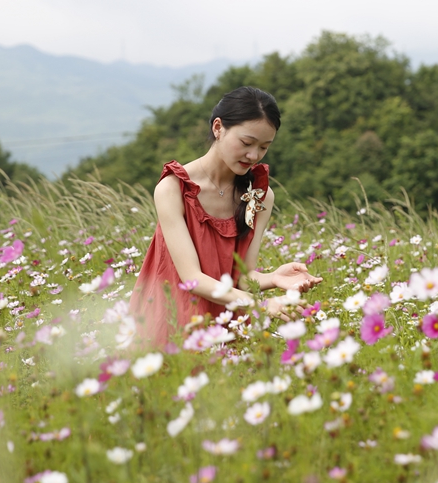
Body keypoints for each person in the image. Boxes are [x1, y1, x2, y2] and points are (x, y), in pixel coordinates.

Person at [130, 86, 322, 345]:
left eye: (264, 147)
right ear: (218, 128)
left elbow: (242, 276)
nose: (253, 156)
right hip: (174, 320)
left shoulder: (260, 195)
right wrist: (262, 304)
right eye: (246, 143)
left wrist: (274, 277)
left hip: (230, 323)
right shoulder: (173, 189)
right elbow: (192, 278)